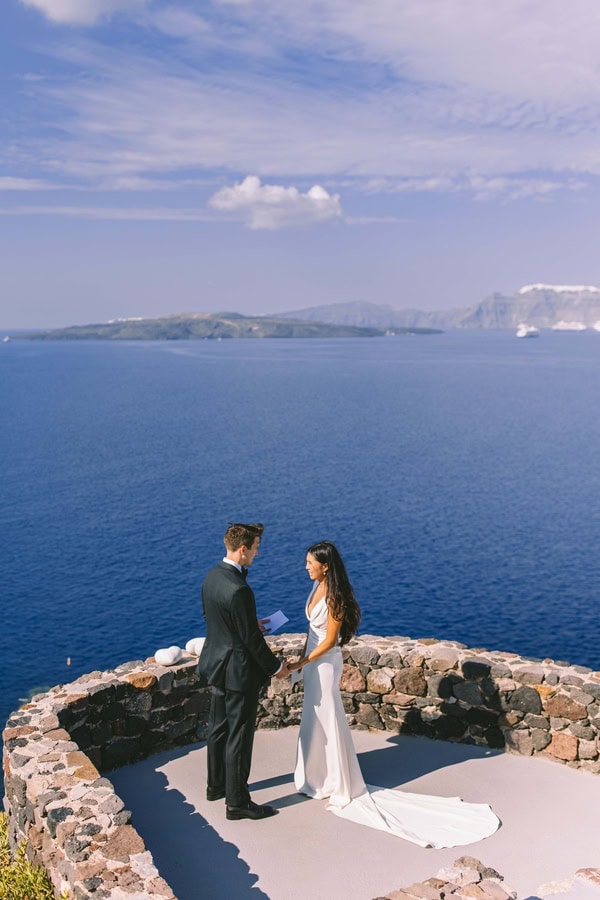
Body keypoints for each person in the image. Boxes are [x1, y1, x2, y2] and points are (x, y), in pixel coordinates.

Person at [289, 540, 500, 847]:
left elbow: (330, 640)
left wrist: (302, 661)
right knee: (313, 718)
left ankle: (336, 782)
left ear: (325, 566)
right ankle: (315, 777)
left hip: (324, 663)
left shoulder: (335, 597)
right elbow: (312, 632)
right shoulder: (316, 586)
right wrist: (301, 658)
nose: (305, 566)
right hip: (311, 661)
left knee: (329, 719)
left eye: (310, 562)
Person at [199, 522, 288, 821]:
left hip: (216, 666)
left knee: (219, 730)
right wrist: (277, 668)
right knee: (239, 737)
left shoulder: (212, 577)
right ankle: (237, 802)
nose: (257, 553)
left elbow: (213, 617)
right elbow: (251, 642)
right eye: (256, 548)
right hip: (237, 673)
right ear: (243, 549)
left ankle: (216, 787)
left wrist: (249, 621)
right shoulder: (240, 589)